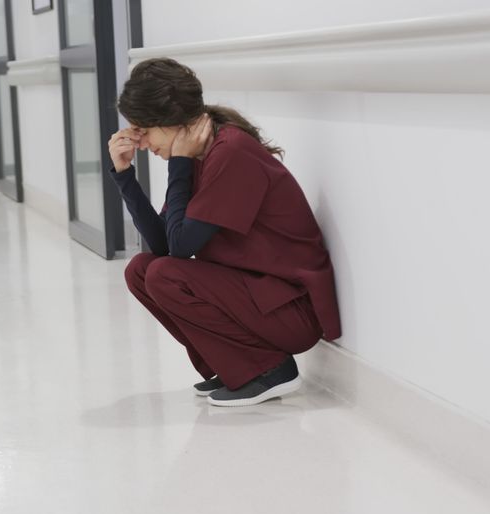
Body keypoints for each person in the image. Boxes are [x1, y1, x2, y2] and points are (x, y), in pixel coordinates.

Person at [108, 57, 341, 407]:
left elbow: (180, 247)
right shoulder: (203, 154)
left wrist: (179, 165)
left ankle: (269, 369)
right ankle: (235, 365)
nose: (139, 143)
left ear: (171, 121)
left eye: (143, 130)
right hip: (259, 299)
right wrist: (125, 177)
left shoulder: (230, 152)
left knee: (164, 275)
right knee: (140, 271)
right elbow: (160, 244)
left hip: (291, 311)